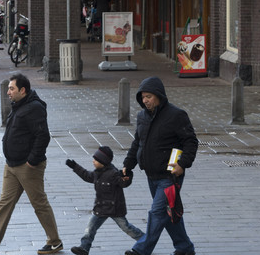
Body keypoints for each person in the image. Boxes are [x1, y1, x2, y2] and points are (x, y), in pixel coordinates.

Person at [0, 73, 63, 255]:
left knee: (39, 203)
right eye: (8, 88)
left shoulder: (34, 107)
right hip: (11, 165)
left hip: (27, 166)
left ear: (23, 90)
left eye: (12, 88)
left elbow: (43, 136)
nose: (8, 92)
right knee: (5, 203)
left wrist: (32, 161)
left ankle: (54, 241)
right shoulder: (20, 105)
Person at [123, 76, 198, 255]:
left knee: (157, 212)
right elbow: (137, 143)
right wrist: (128, 165)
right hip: (151, 175)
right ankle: (185, 247)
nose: (145, 100)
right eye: (142, 97)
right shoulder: (142, 116)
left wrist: (183, 164)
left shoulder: (176, 115)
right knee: (168, 212)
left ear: (159, 95)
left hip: (170, 175)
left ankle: (141, 250)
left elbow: (191, 141)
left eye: (148, 96)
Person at [65, 146, 144, 255]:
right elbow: (87, 176)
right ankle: (84, 248)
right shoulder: (97, 173)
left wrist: (127, 176)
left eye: (96, 160)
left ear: (103, 161)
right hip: (100, 208)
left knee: (127, 228)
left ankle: (144, 241)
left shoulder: (113, 173)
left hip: (115, 209)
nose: (93, 161)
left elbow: (123, 183)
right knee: (90, 229)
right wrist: (75, 166)